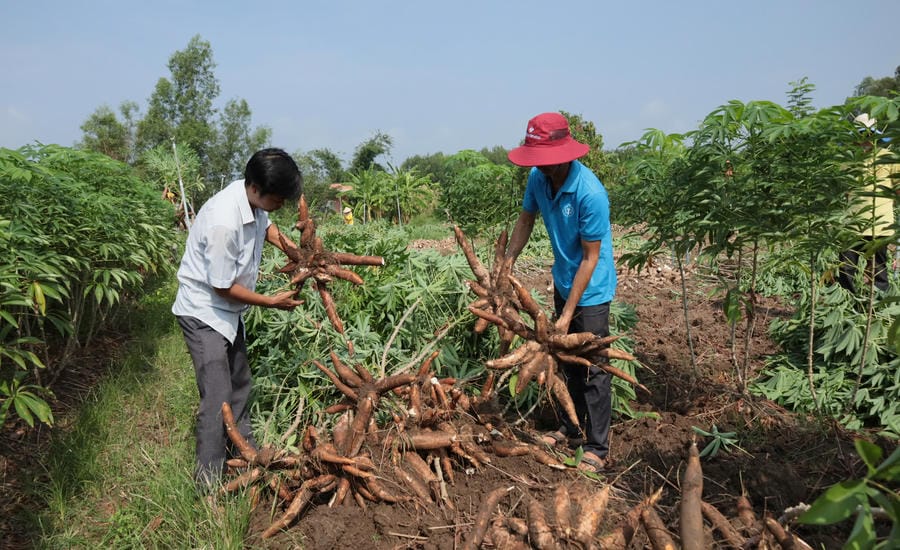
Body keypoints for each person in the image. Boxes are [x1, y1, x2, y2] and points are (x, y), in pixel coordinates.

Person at [172, 148, 304, 488]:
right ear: (257, 188)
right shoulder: (223, 221)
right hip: (204, 312)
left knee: (240, 382)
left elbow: (268, 229)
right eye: (279, 199)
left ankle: (245, 453)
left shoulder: (252, 199)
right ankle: (209, 482)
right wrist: (270, 302)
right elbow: (221, 287)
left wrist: (297, 253)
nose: (282, 205)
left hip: (229, 312)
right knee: (217, 396)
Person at [504, 112, 617, 473]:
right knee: (565, 361)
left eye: (547, 160)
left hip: (592, 288)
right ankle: (571, 428)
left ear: (566, 153)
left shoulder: (590, 193)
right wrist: (507, 262)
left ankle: (598, 447)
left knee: (594, 367)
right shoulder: (539, 179)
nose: (542, 167)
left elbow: (591, 257)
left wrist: (568, 314)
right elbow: (525, 220)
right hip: (564, 279)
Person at [837, 113, 897, 294]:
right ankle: (849, 302)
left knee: (878, 271)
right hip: (852, 225)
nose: (864, 140)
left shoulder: (889, 158)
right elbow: (845, 192)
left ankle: (877, 306)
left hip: (880, 225)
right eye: (860, 136)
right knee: (846, 268)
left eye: (868, 135)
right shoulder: (847, 161)